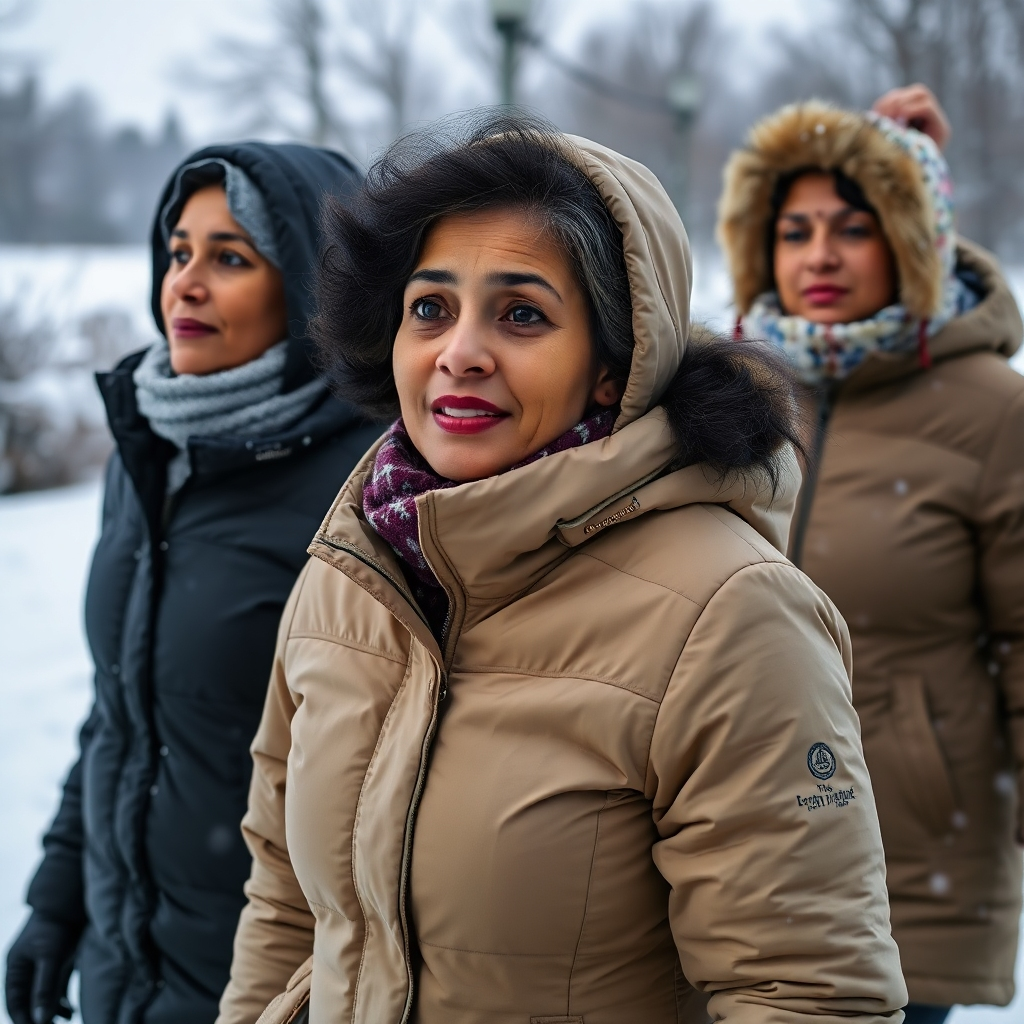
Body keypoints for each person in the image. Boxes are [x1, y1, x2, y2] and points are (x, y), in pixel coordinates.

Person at [215, 112, 906, 1024]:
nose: (460, 351)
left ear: (616, 365)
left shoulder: (730, 615)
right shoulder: (351, 574)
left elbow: (810, 994)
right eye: (430, 309)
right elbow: (286, 905)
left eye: (522, 314)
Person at [4, 143, 382, 1024]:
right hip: (120, 970)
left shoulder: (370, 489)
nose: (187, 284)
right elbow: (124, 712)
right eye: (178, 253)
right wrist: (59, 902)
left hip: (271, 984)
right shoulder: (148, 457)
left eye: (231, 258)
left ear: (312, 286)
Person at [718, 86, 1024, 1023]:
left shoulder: (991, 410)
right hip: (732, 827)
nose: (818, 255)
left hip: (914, 840)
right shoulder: (728, 394)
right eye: (795, 229)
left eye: (853, 228)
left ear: (906, 242)